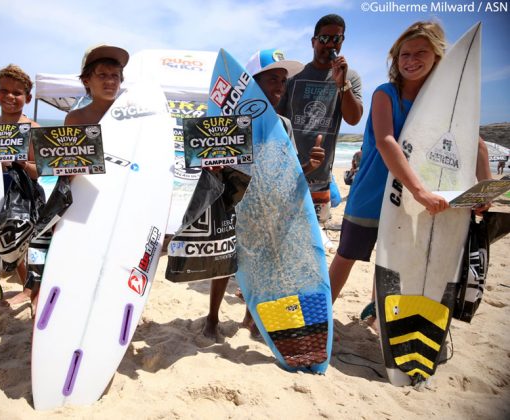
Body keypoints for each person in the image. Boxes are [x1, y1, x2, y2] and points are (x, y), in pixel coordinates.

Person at [328, 21, 492, 318]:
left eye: (421, 53)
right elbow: (385, 141)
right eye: (405, 54)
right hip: (373, 194)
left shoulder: (444, 106)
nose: (411, 60)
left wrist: (484, 188)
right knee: (347, 254)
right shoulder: (385, 94)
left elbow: (476, 144)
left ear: (438, 58)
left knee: (399, 260)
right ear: (395, 57)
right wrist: (420, 191)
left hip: (414, 201)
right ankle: (321, 314)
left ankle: (379, 313)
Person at [202, 49, 323, 338]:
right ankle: (212, 318)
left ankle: (249, 319)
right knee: (224, 263)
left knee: (260, 263)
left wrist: (310, 165)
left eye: (282, 81)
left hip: (266, 208)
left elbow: (288, 174)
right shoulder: (230, 121)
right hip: (232, 202)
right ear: (253, 82)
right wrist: (213, 167)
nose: (279, 87)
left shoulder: (283, 126)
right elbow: (210, 166)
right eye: (272, 80)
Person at [278, 14, 363, 223]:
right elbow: (277, 120)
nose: (330, 44)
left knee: (314, 236)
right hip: (288, 172)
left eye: (337, 39)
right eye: (324, 38)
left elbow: (353, 119)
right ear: (313, 41)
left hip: (321, 177)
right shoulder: (293, 76)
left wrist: (342, 83)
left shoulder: (350, 77)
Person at [0, 64, 40, 306]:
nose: (10, 97)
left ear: (27, 98)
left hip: (23, 194)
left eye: (17, 93)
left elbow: (38, 172)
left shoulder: (33, 129)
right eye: (4, 90)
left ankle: (31, 291)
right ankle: (18, 285)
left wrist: (18, 161)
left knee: (21, 243)